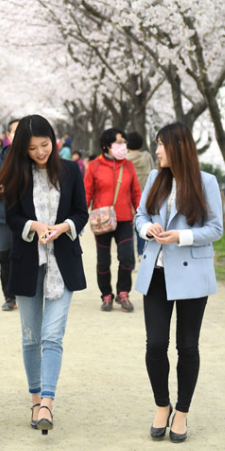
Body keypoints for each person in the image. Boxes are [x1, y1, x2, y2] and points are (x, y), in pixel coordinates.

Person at [0, 115, 88, 434]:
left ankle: (48, 400)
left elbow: (81, 213)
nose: (40, 152)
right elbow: (10, 217)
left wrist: (65, 227)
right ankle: (35, 397)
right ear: (23, 148)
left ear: (54, 141)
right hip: (26, 263)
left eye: (45, 145)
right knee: (31, 336)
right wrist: (33, 227)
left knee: (52, 335)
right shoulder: (16, 175)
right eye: (33, 147)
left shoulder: (71, 171)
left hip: (63, 263)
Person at [135, 122, 223, 443]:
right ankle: (162, 405)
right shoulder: (156, 178)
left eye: (161, 145)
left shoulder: (206, 182)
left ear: (177, 148)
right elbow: (140, 215)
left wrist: (181, 236)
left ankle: (182, 412)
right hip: (156, 272)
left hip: (191, 274)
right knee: (156, 344)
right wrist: (148, 230)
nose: (156, 151)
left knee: (187, 346)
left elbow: (215, 229)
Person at [83, 127, 141, 312]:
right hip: (102, 220)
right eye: (118, 142)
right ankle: (106, 295)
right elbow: (87, 192)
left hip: (124, 219)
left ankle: (123, 293)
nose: (123, 145)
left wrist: (141, 215)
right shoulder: (94, 166)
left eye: (124, 142)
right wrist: (79, 217)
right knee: (103, 261)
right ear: (107, 145)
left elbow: (136, 192)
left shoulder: (128, 166)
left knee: (126, 258)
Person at [0, 118, 20, 311]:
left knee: (30, 257)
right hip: (5, 216)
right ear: (8, 135)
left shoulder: (37, 159)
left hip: (32, 218)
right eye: (15, 131)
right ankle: (10, 296)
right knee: (5, 257)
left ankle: (30, 294)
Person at [127, 132, 155, 256]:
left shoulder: (124, 159)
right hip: (145, 195)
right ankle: (141, 253)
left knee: (128, 228)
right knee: (142, 224)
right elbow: (153, 173)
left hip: (128, 197)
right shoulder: (147, 157)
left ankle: (130, 257)